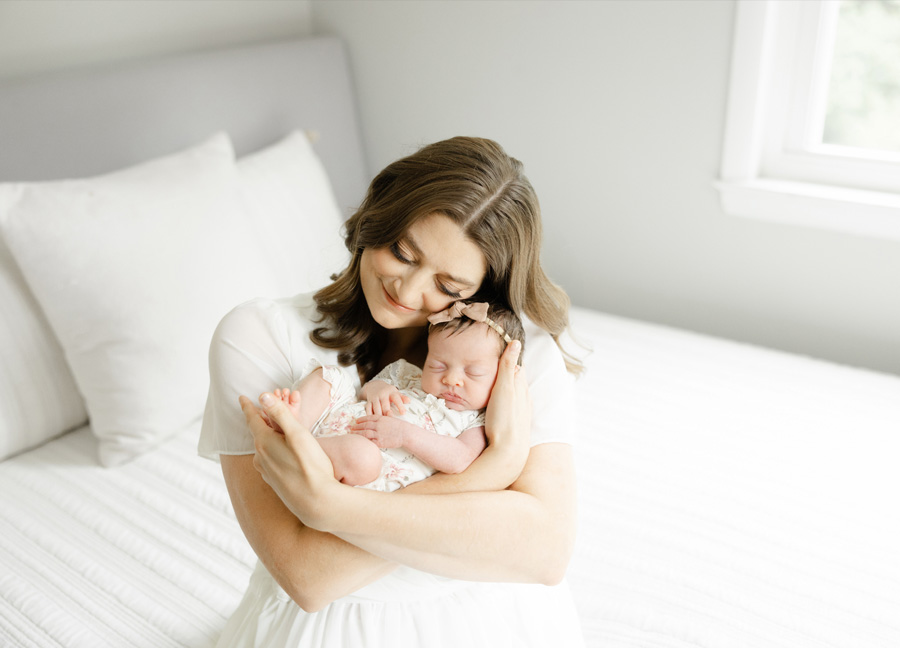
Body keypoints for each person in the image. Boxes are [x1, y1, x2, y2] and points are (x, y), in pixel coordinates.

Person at [199, 136, 585, 647]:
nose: (406, 291)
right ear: (377, 215)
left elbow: (545, 552)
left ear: (485, 291)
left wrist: (331, 510)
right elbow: (307, 578)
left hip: (493, 621)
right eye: (403, 252)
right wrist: (495, 468)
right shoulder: (258, 334)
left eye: (448, 288)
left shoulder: (514, 356)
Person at [271, 302, 525, 492]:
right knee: (329, 376)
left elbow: (459, 459)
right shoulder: (407, 374)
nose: (451, 379)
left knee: (361, 456)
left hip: (370, 461)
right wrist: (378, 389)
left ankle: (293, 446)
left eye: (473, 372)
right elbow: (366, 390)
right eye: (437, 365)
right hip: (338, 420)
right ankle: (296, 421)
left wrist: (405, 435)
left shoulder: (473, 420)